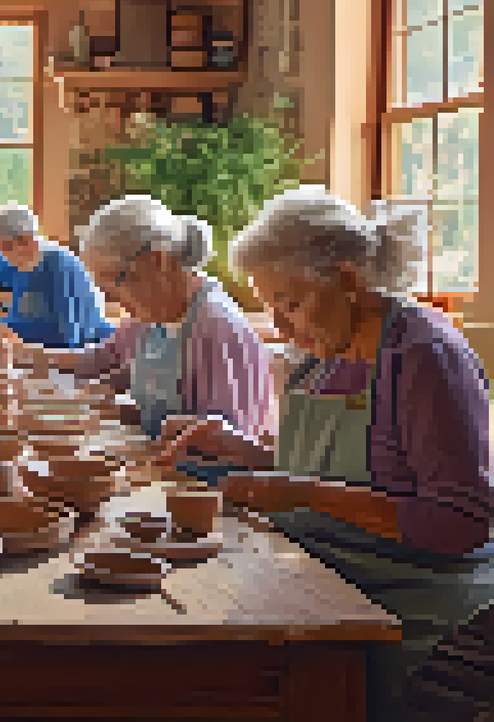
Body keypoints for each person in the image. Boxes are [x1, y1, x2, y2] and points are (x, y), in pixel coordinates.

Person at [156, 187, 494, 722]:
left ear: (349, 279)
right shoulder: (326, 358)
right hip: (334, 578)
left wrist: (299, 493)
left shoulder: (424, 356)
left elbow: (459, 522)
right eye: (272, 308)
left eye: (291, 304)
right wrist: (238, 446)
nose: (283, 328)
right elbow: (336, 468)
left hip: (420, 608)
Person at [19, 196, 275, 467]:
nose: (113, 300)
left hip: (200, 488)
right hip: (157, 467)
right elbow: (102, 359)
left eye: (113, 284)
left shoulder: (218, 328)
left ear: (157, 261)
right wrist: (27, 356)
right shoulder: (151, 316)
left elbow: (227, 450)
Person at [0, 205, 115, 349]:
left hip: (88, 348)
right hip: (51, 347)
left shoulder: (59, 267)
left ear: (27, 240)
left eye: (5, 247)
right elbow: (25, 317)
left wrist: (7, 332)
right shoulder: (22, 266)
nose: (3, 255)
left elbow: (68, 336)